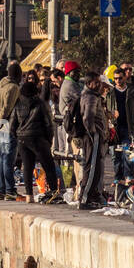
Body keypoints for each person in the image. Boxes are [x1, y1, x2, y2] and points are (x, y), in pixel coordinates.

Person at [10, 79, 61, 204]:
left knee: (27, 167)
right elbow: (48, 123)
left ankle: (29, 195)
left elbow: (12, 124)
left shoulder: (18, 103)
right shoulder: (40, 103)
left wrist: (17, 136)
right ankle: (54, 192)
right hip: (38, 138)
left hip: (22, 138)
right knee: (48, 165)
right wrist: (49, 140)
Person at [78, 72, 109, 212]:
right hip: (93, 137)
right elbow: (88, 117)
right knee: (91, 168)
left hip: (95, 137)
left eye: (99, 82)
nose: (99, 85)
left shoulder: (94, 96)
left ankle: (92, 197)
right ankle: (84, 199)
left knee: (95, 168)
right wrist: (94, 132)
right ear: (89, 84)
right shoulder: (90, 97)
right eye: (96, 83)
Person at [0, 62, 22, 199]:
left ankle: (1, 189)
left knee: (3, 158)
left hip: (1, 126)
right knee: (8, 159)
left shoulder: (2, 86)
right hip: (9, 126)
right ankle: (9, 189)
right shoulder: (13, 87)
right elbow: (6, 109)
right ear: (18, 74)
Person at [58, 61, 84, 191]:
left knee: (73, 157)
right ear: (69, 72)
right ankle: (71, 184)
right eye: (76, 72)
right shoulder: (69, 85)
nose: (78, 75)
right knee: (74, 156)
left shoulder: (72, 83)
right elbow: (82, 98)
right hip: (71, 126)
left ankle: (72, 184)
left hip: (70, 124)